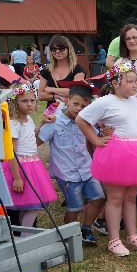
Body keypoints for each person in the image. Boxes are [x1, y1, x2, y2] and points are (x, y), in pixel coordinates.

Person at [76, 69, 137, 256]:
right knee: (115, 198)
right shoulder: (105, 102)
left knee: (131, 197)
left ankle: (132, 235)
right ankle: (114, 240)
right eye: (130, 81)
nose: (135, 85)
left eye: (136, 81)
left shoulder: (134, 101)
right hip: (118, 155)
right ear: (115, 83)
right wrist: (96, 140)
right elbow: (81, 119)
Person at [38, 85, 105, 245]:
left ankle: (86, 229)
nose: (79, 108)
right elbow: (36, 142)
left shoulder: (86, 122)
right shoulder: (54, 122)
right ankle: (70, 236)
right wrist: (40, 125)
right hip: (66, 173)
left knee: (99, 198)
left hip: (87, 169)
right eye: (76, 104)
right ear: (67, 101)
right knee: (75, 206)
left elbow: (96, 139)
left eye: (84, 106)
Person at [1, 84, 58, 234]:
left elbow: (31, 134)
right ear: (15, 103)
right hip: (21, 166)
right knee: (34, 205)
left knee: (29, 206)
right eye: (24, 101)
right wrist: (17, 178)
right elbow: (12, 152)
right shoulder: (14, 123)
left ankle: (24, 235)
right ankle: (26, 236)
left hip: (33, 164)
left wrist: (42, 123)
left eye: (32, 100)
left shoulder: (28, 119)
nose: (29, 104)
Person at [38, 35, 86, 104]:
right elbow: (40, 95)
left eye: (61, 48)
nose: (57, 51)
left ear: (69, 49)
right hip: (52, 109)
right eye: (54, 49)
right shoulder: (46, 71)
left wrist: (51, 89)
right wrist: (57, 96)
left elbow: (75, 91)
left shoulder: (77, 69)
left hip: (71, 109)